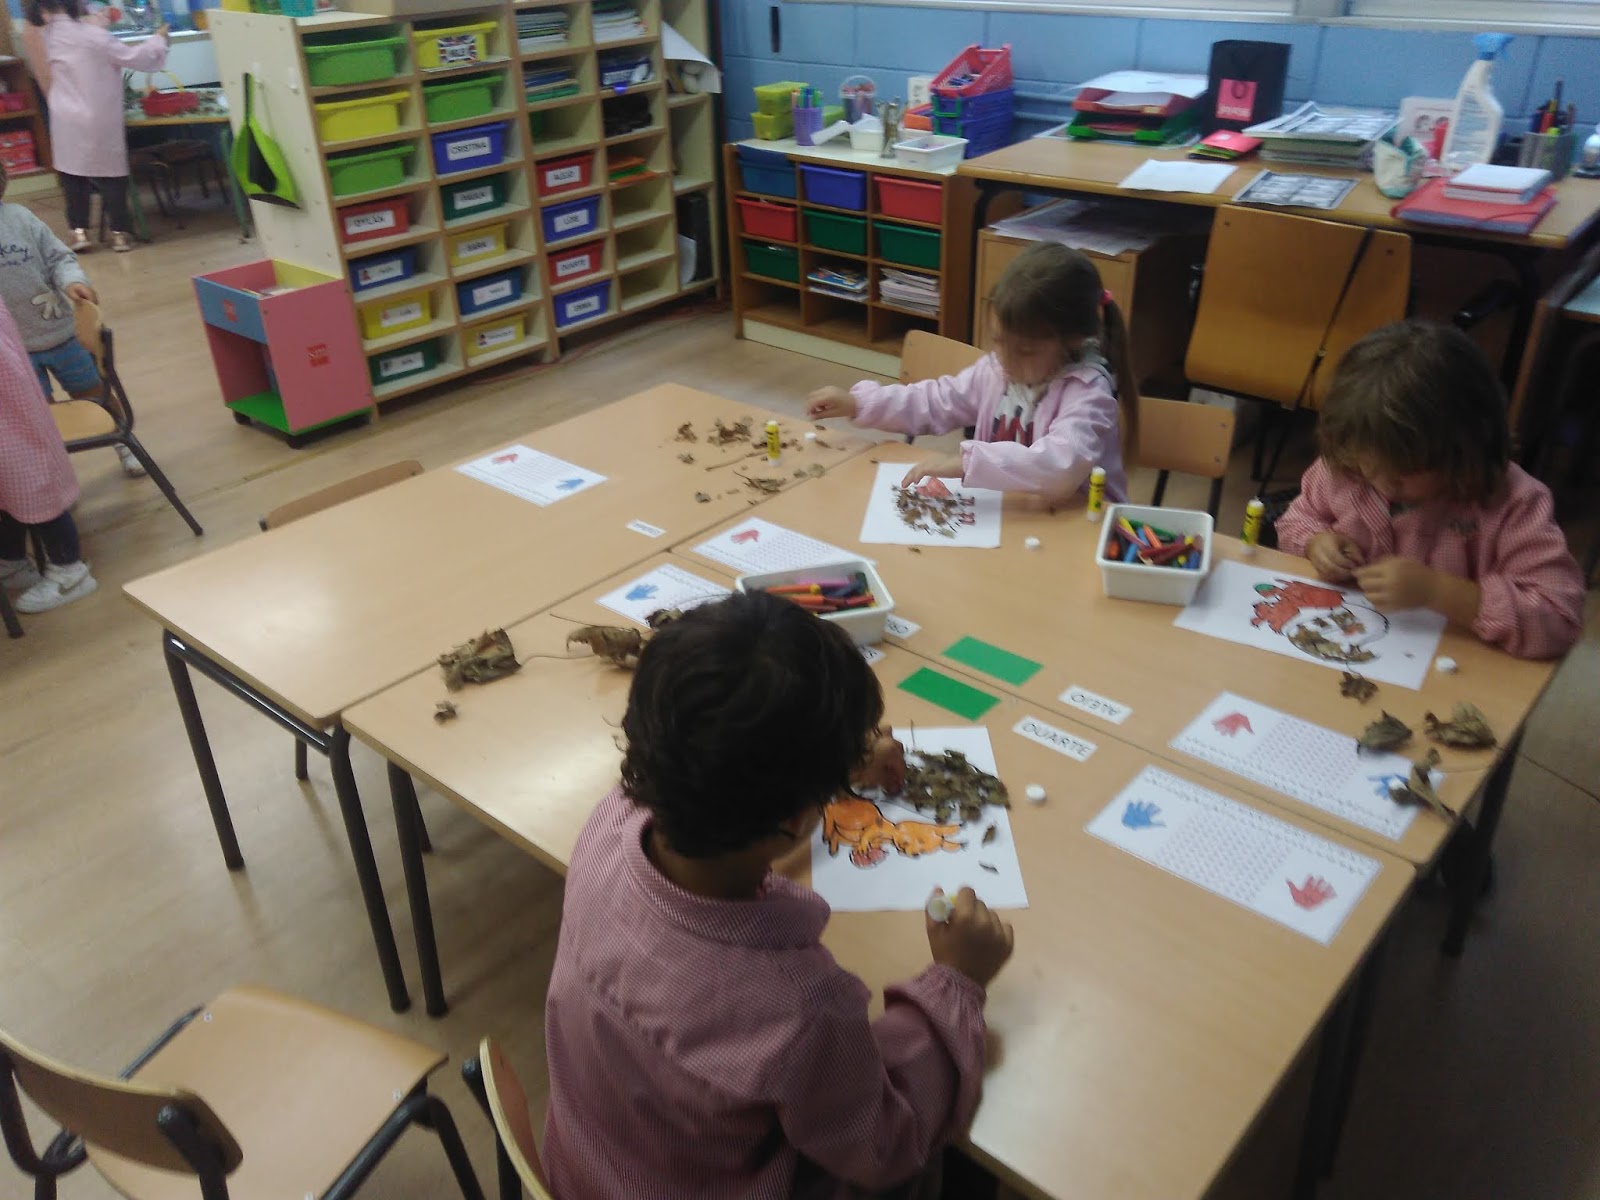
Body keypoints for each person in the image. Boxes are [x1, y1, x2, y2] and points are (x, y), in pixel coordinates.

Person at [542, 591, 1014, 1200]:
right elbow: (883, 1141)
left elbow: (728, 800)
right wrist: (957, 981)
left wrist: (828, 772)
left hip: (588, 1164)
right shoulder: (798, 1007)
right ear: (796, 816)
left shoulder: (610, 824)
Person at [1275, 320, 1584, 660]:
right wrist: (1316, 543)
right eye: (1368, 469)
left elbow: (1558, 621)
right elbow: (1295, 520)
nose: (1383, 485)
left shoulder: (1515, 503)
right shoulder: (1345, 468)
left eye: (1404, 474)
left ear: (1464, 451)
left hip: (1458, 669)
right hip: (1352, 650)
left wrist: (1438, 591)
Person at [807, 241, 1139, 501]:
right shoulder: (996, 370)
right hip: (1009, 515)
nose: (1005, 361)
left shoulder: (1088, 392)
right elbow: (936, 400)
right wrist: (861, 403)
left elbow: (1060, 466)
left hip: (1077, 530)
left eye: (1025, 351)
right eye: (998, 341)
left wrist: (969, 462)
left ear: (1073, 341)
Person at [0, 160, 143, 476]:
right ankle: (56, 469)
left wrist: (74, 282)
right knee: (39, 414)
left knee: (92, 392)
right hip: (13, 354)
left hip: (61, 334)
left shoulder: (20, 218)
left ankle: (122, 441)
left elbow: (59, 259)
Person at [25, 0, 167, 253]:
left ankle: (79, 232)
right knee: (110, 173)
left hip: (65, 113)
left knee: (72, 173)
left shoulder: (50, 33)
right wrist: (158, 40)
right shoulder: (92, 35)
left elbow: (79, 31)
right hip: (97, 114)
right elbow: (135, 57)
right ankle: (120, 234)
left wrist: (98, 21)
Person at [0, 297, 95, 613]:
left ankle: (70, 572)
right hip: (11, 407)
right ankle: (11, 560)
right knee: (9, 489)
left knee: (31, 483)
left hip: (11, 415)